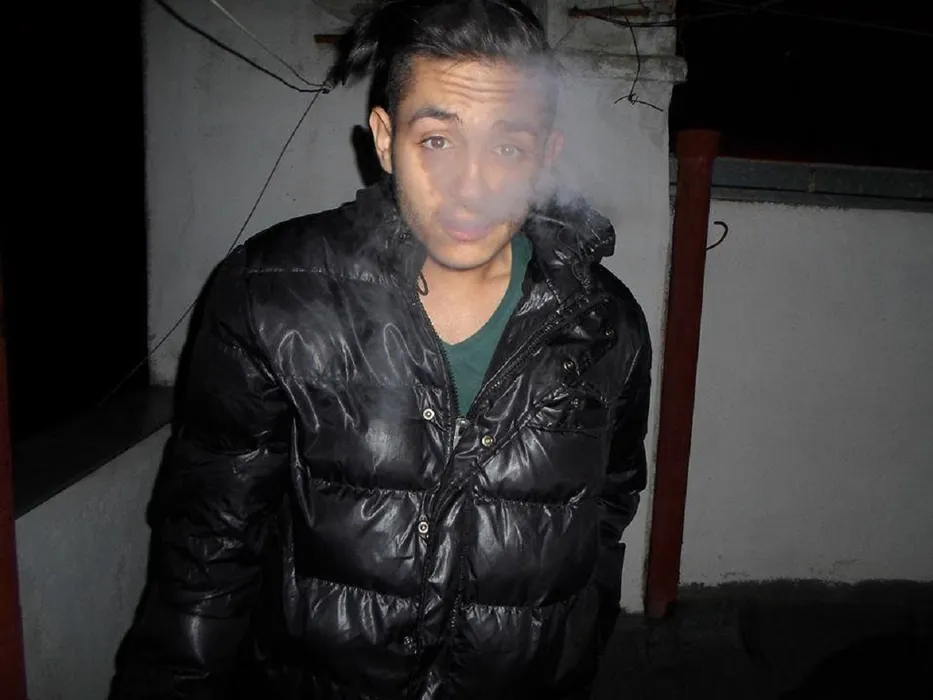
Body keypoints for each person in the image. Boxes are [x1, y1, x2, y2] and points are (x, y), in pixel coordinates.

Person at [111, 1, 651, 698]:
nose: (472, 186)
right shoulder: (272, 296)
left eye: (508, 148)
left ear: (546, 157)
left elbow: (606, 512)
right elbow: (209, 550)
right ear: (386, 139)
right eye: (438, 140)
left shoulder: (604, 324)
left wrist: (573, 653)